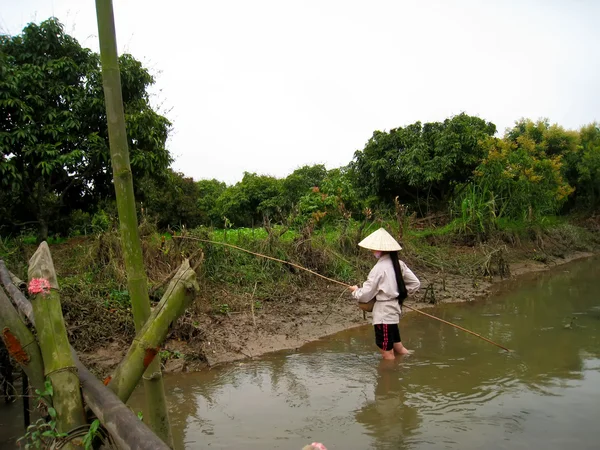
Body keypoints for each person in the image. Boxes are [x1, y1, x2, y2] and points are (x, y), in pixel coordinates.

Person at [350, 228, 420, 359]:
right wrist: (399, 294)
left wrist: (355, 291)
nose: (372, 252)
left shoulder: (378, 269)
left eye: (373, 249)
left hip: (383, 315)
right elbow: (415, 283)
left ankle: (389, 377)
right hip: (394, 310)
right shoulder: (399, 264)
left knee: (387, 352)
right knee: (398, 346)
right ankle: (412, 362)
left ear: (380, 250)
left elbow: (366, 294)